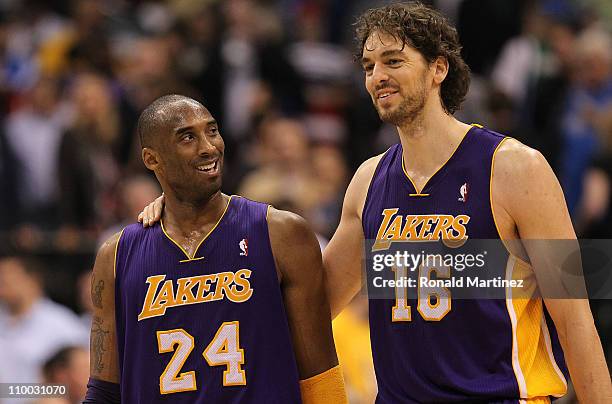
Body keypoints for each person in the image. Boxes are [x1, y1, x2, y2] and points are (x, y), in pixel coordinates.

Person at [138, 3, 612, 402]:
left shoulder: (517, 168)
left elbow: (576, 320)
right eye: (368, 66)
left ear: (438, 69)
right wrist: (187, 209)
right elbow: (311, 306)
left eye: (393, 61)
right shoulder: (368, 182)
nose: (377, 76)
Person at [84, 95, 347, 403]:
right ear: (152, 159)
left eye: (212, 131)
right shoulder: (115, 257)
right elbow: (103, 392)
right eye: (187, 137)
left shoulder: (282, 234)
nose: (209, 146)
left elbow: (321, 377)